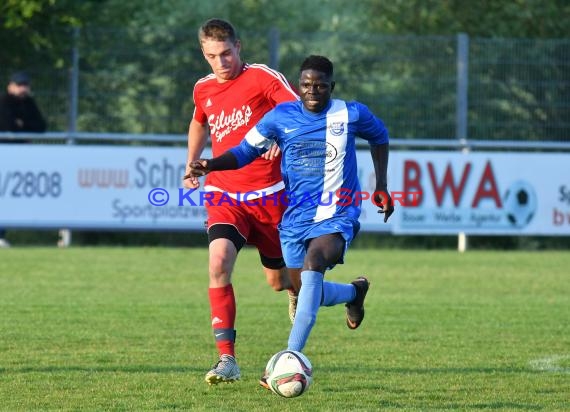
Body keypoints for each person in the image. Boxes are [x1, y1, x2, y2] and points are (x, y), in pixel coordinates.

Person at [185, 55, 395, 387]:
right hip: (294, 219)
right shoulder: (280, 117)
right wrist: (211, 164)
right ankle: (354, 293)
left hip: (337, 214)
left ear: (332, 87)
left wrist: (380, 184)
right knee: (303, 288)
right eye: (307, 85)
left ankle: (288, 358)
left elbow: (380, 136)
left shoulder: (351, 113)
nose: (313, 91)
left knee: (313, 266)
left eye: (321, 85)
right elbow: (244, 151)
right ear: (299, 86)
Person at [181, 18, 300, 385]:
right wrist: (192, 162)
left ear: (239, 46)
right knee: (218, 262)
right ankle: (226, 360)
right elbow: (199, 121)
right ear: (204, 54)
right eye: (213, 56)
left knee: (278, 281)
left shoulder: (263, 78)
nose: (221, 62)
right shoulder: (203, 88)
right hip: (224, 193)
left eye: (227, 53)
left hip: (269, 196)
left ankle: (297, 293)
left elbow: (297, 112)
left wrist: (282, 135)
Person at [0, 71, 47, 247]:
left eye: (25, 85)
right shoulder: (3, 102)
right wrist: (23, 127)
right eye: (19, 85)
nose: (23, 89)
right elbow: (6, 125)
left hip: (20, 157)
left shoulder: (29, 103)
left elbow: (41, 127)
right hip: (4, 154)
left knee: (10, 196)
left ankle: (1, 234)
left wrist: (21, 125)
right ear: (10, 86)